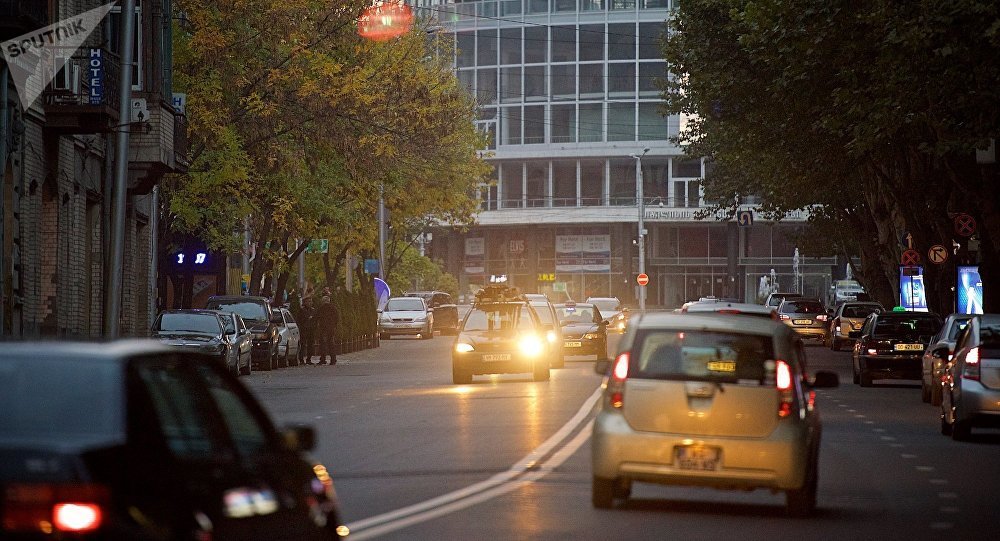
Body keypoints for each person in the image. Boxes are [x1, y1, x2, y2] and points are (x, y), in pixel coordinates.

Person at [315, 295, 339, 365]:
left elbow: (317, 317)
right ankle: (333, 359)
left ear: (323, 301)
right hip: (331, 328)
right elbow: (337, 317)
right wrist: (334, 325)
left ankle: (323, 359)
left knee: (323, 344)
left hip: (323, 328)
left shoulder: (321, 308)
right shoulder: (333, 308)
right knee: (331, 343)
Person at [298, 296, 317, 364]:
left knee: (310, 345)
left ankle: (309, 359)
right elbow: (300, 319)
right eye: (309, 301)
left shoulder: (313, 310)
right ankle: (301, 359)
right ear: (305, 302)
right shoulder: (302, 310)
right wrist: (308, 318)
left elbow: (315, 319)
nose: (310, 303)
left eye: (311, 301)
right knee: (303, 345)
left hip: (311, 329)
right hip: (304, 329)